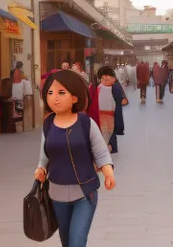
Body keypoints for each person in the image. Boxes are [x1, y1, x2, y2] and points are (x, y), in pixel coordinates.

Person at [34, 70, 115, 247]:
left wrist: (108, 172)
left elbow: (101, 152)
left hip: (85, 193)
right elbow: (44, 154)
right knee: (66, 242)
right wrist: (41, 169)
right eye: (50, 93)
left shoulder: (86, 123)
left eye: (61, 92)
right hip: (56, 195)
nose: (55, 98)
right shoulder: (48, 125)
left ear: (75, 97)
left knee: (77, 242)